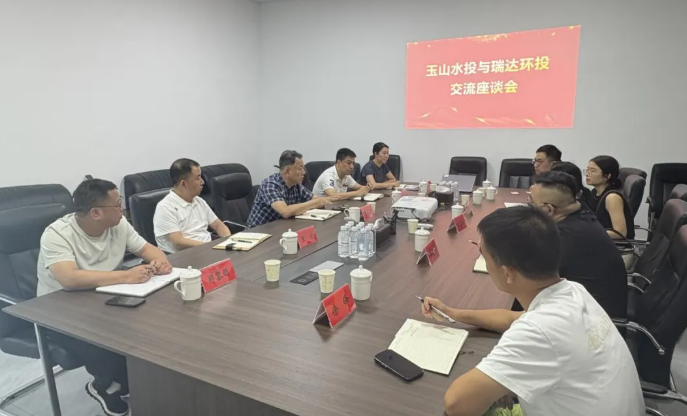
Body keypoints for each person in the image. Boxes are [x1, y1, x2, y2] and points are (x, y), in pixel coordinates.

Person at [422, 205, 644, 416]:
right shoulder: (573, 292)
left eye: (483, 254)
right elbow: (512, 318)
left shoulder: (539, 332)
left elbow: (456, 404)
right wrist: (453, 313)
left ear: (507, 273)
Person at [37, 179, 173, 416]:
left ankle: (133, 379)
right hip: (60, 311)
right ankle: (103, 385)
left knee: (156, 322)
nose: (123, 209)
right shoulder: (57, 234)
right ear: (96, 213)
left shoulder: (118, 224)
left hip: (106, 297)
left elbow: (149, 250)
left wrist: (159, 262)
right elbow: (68, 279)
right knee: (107, 342)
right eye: (118, 204)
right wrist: (126, 276)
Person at [526, 171, 628, 318]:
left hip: (590, 321)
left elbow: (530, 280)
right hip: (586, 305)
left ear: (549, 209)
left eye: (531, 201)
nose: (528, 205)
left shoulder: (564, 237)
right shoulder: (581, 212)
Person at [154, 158, 230, 253]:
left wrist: (228, 241)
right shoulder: (165, 207)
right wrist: (210, 247)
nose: (202, 182)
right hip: (186, 256)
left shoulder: (199, 201)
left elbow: (218, 225)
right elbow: (178, 242)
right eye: (198, 178)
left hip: (208, 250)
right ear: (183, 183)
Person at [247, 150, 335, 227]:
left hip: (281, 228)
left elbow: (317, 200)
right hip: (257, 233)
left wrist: (321, 201)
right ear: (287, 171)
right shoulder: (270, 185)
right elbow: (285, 212)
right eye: (300, 169)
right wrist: (316, 202)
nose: (304, 172)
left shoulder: (296, 185)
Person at [585, 155, 635, 239]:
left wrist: (587, 233)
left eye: (593, 171)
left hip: (614, 245)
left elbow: (620, 233)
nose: (587, 174)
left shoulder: (612, 198)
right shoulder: (594, 193)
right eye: (587, 170)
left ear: (607, 176)